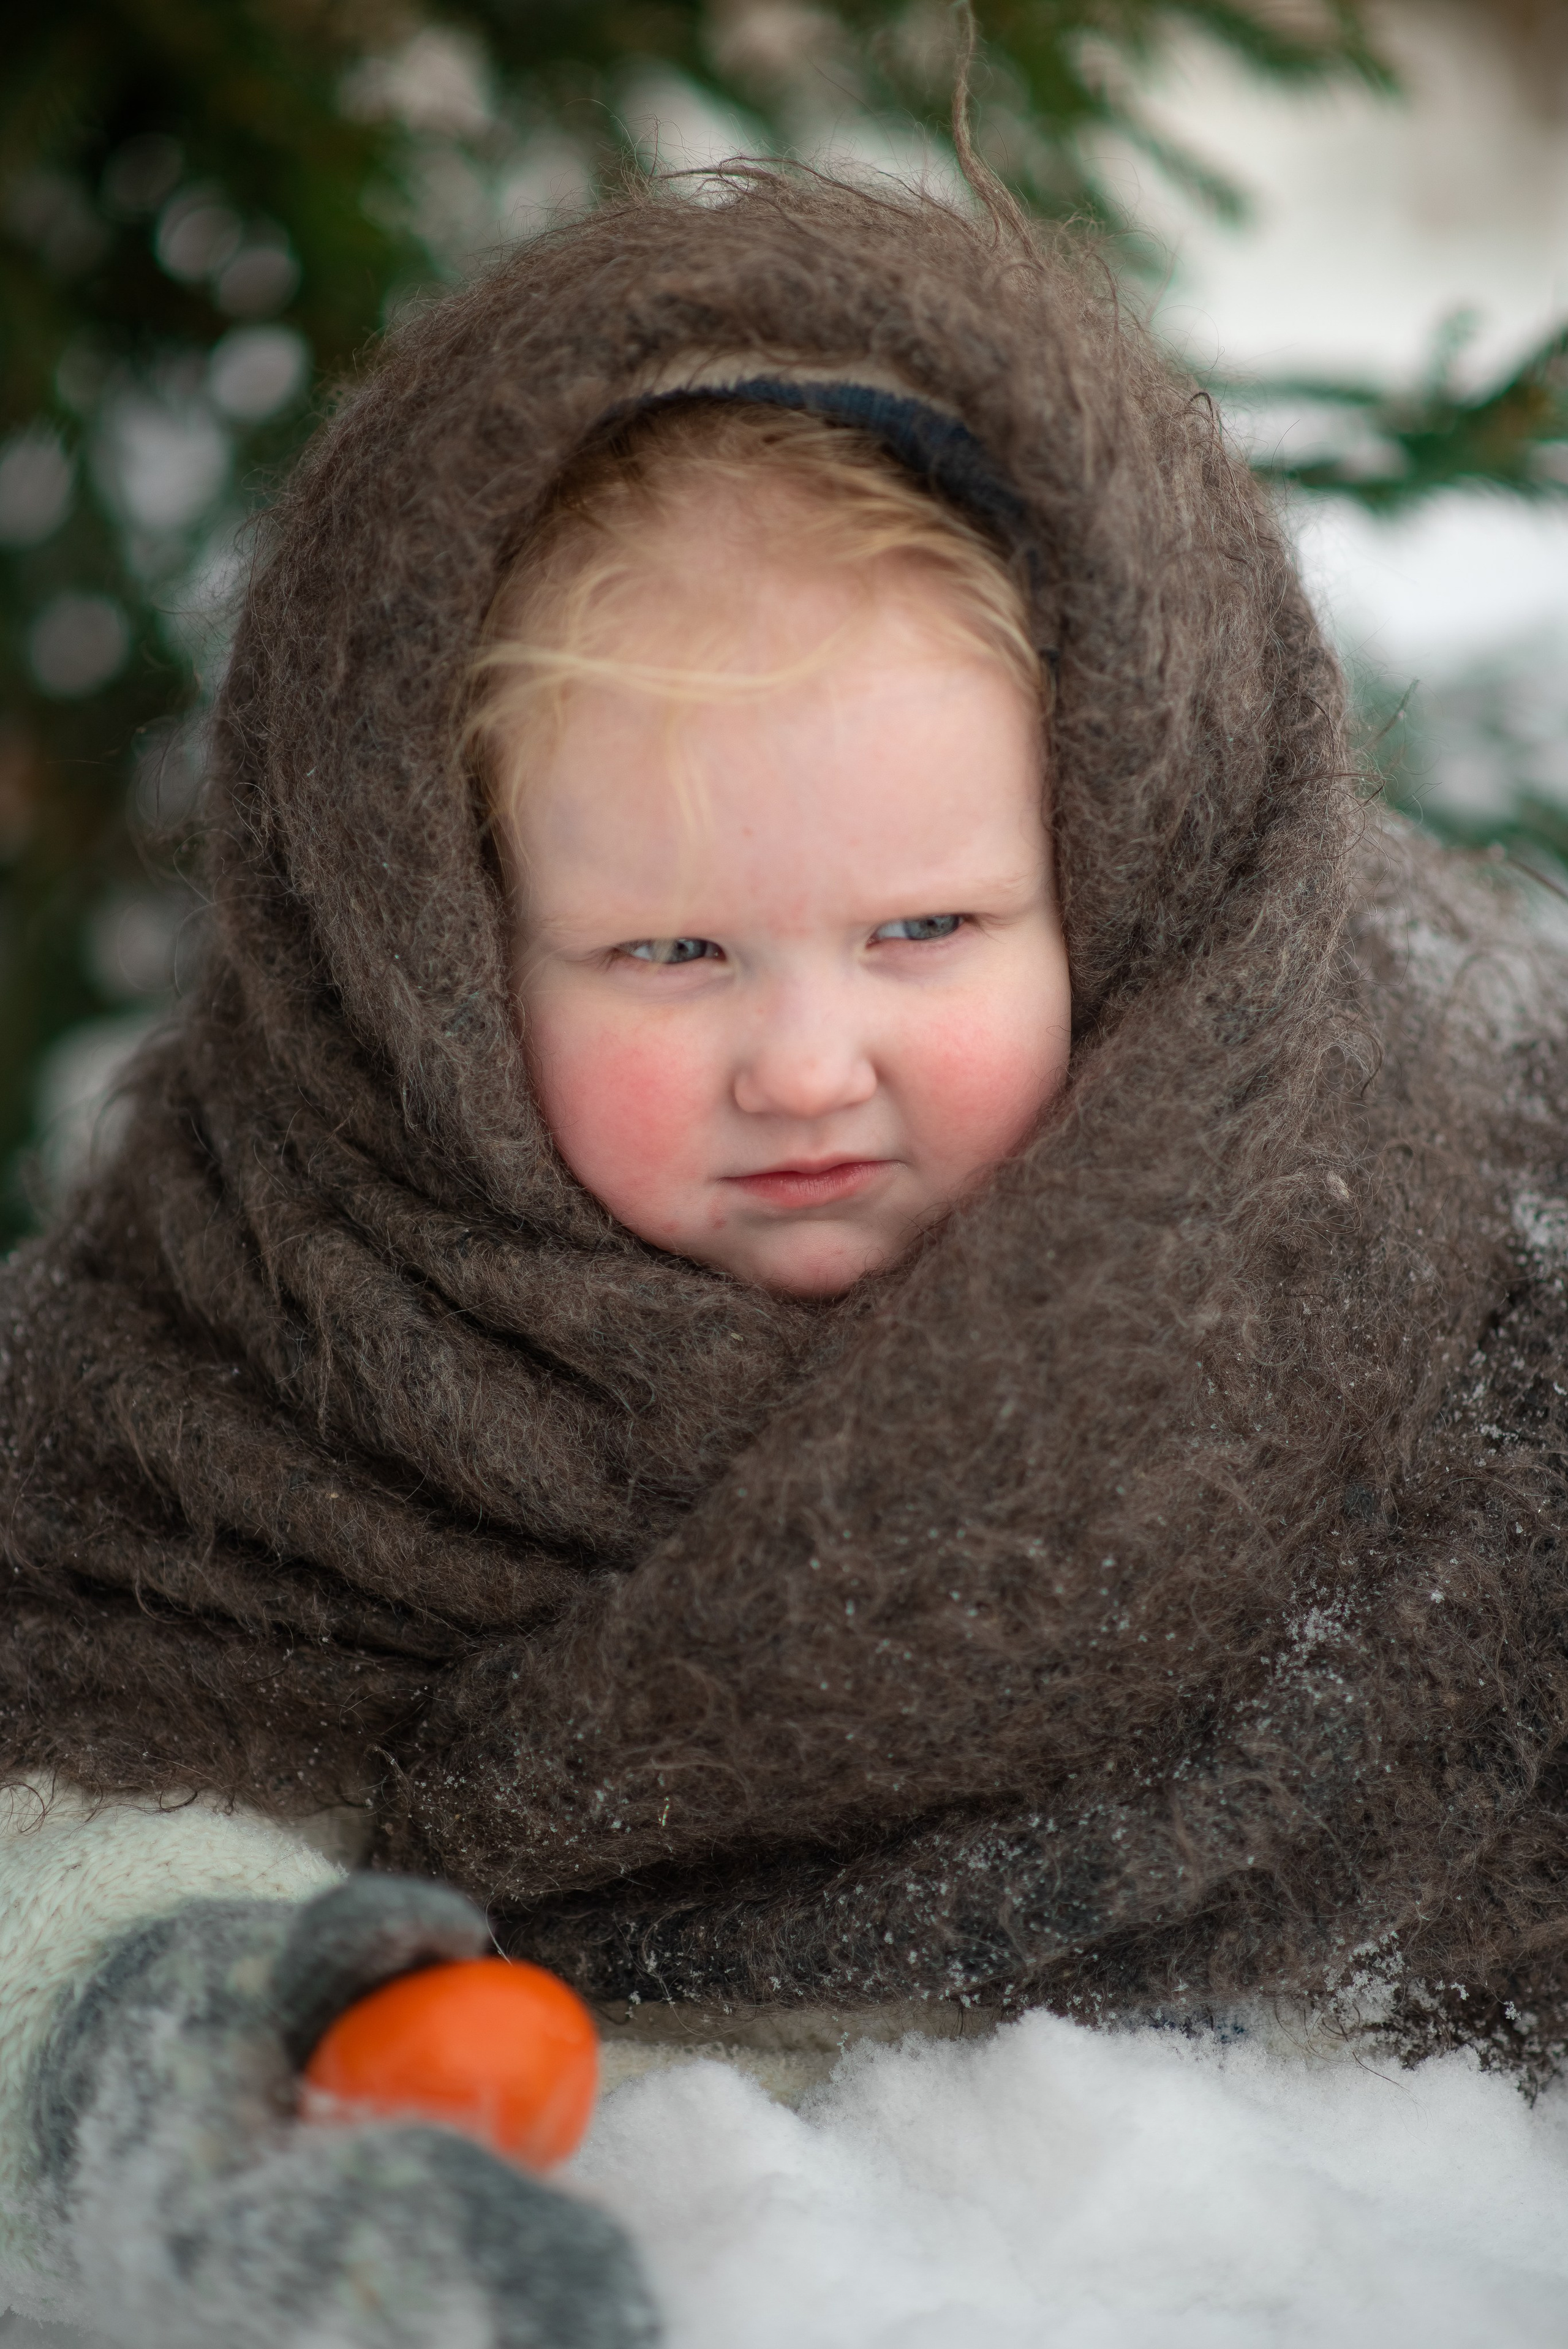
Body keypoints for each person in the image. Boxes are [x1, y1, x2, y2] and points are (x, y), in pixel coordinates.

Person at [1, 164, 1566, 2348]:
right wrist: (212, 2063)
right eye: (668, 953)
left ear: (1108, 886)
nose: (807, 1060)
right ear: (444, 969)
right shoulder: (272, 1311)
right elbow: (72, 1805)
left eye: (923, 930)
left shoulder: (1425, 1244)